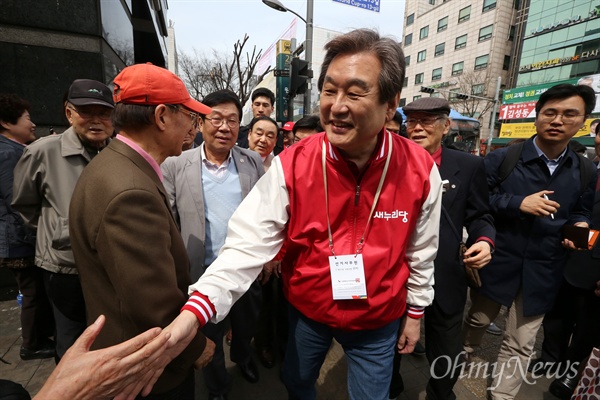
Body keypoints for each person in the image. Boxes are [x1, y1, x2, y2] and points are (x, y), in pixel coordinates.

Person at [158, 28, 443, 400]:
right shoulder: (293, 163)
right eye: (329, 90)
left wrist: (416, 312)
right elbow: (247, 244)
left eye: (355, 93)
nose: (336, 106)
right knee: (297, 382)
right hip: (309, 310)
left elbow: (422, 249)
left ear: (390, 105)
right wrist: (197, 309)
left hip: (378, 320)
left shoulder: (419, 168)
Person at [69, 63, 214, 399]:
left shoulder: (115, 166)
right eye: (188, 115)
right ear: (162, 116)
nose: (194, 126)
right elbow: (153, 303)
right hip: (145, 369)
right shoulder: (130, 190)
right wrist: (197, 347)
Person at [462, 83, 598, 400]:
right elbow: (478, 203)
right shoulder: (502, 159)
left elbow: (582, 209)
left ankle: (502, 395)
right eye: (550, 112)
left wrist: (579, 224)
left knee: (521, 341)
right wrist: (517, 203)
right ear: (537, 116)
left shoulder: (585, 169)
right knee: (477, 321)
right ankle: (461, 357)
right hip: (498, 261)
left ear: (583, 122)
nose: (557, 120)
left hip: (544, 269)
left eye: (569, 114)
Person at [161, 89, 264, 400]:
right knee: (209, 336)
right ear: (200, 122)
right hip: (202, 273)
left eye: (232, 120)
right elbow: (169, 219)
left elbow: (264, 213)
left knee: (247, 327)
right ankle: (218, 385)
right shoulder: (177, 164)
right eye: (216, 119)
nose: (224, 127)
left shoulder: (252, 162)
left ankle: (244, 358)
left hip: (246, 269)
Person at [389, 97, 495, 400]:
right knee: (390, 343)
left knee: (445, 347)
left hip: (446, 275)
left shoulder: (469, 165)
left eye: (428, 121)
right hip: (395, 274)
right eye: (412, 121)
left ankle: (440, 393)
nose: (418, 128)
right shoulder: (390, 164)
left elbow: (480, 215)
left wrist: (485, 241)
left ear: (446, 126)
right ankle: (390, 387)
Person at [12, 79, 114, 361]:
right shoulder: (42, 152)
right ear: (69, 113)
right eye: (86, 111)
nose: (96, 120)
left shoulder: (118, 152)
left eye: (103, 113)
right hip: (64, 266)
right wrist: (59, 229)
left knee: (106, 336)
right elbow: (25, 203)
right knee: (71, 342)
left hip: (110, 266)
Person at [536, 132, 600, 399]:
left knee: (588, 324)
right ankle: (550, 357)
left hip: (596, 268)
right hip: (566, 254)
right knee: (557, 315)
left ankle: (572, 370)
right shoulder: (585, 168)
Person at [0, 94, 55, 361]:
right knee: (32, 292)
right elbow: (17, 201)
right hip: (19, 237)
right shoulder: (9, 153)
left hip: (19, 235)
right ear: (6, 123)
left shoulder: (15, 149)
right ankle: (31, 344)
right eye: (27, 118)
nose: (32, 124)